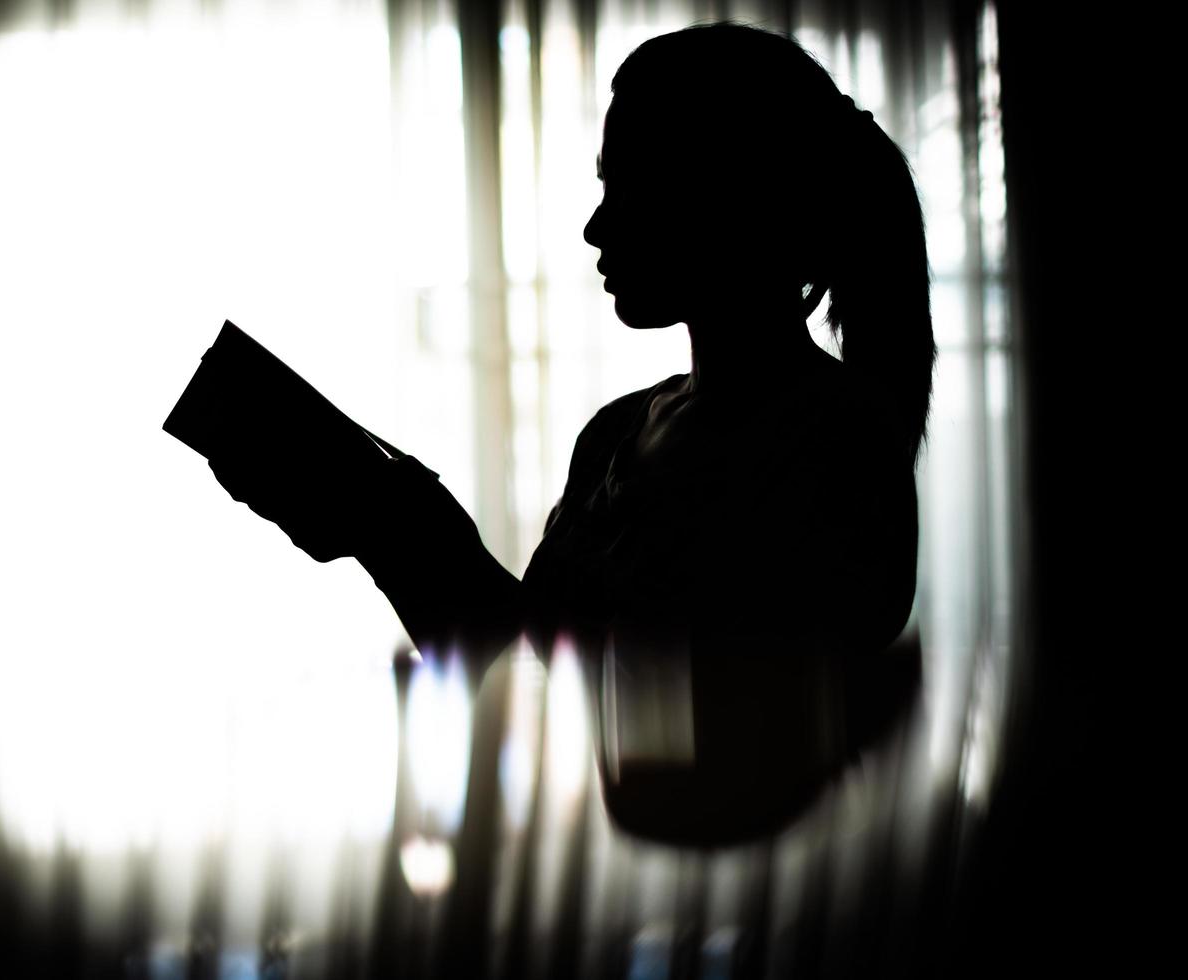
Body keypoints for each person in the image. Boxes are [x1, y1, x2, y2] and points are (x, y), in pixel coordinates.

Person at [207, 23, 931, 846]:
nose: (596, 227)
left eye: (632, 188)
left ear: (732, 193)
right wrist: (387, 527)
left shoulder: (837, 439)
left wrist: (410, 533)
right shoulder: (616, 433)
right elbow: (524, 676)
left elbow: (723, 725)